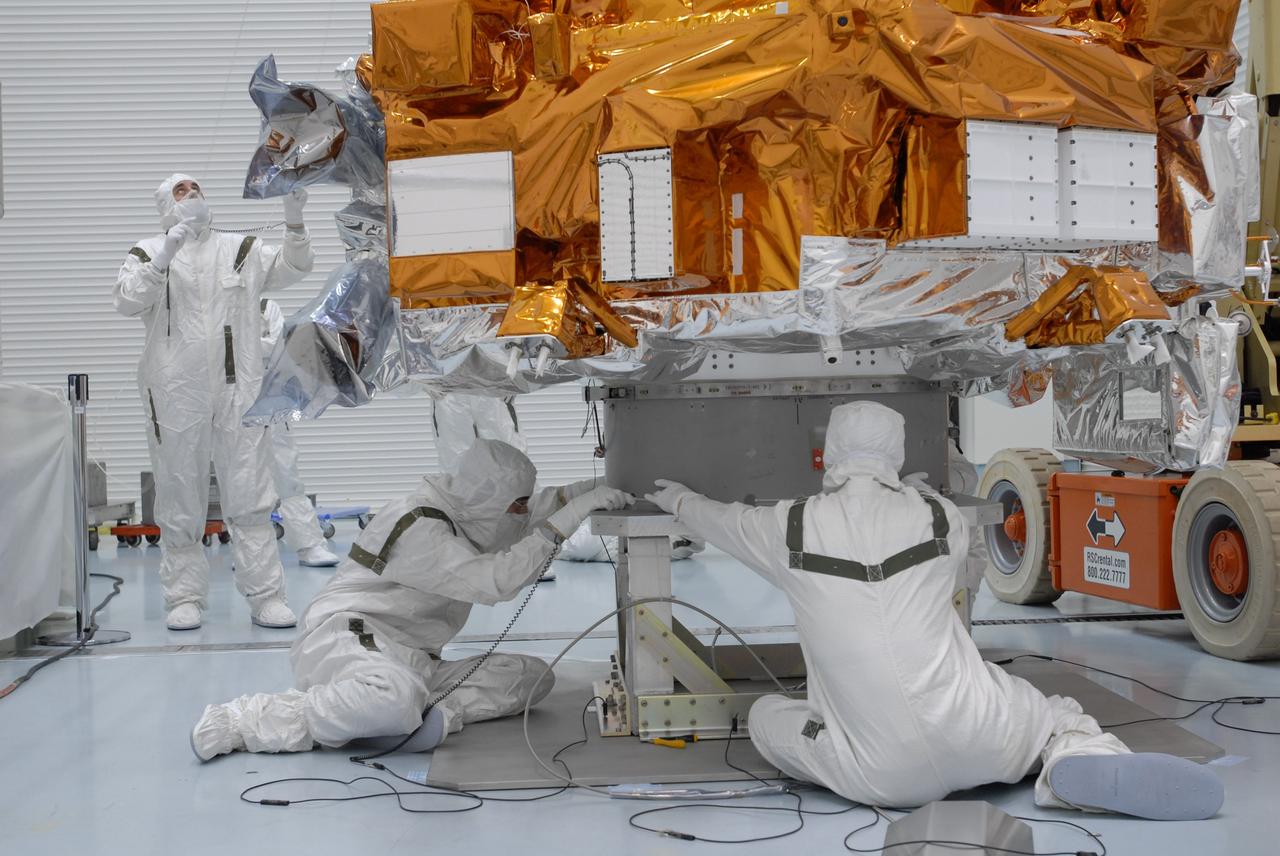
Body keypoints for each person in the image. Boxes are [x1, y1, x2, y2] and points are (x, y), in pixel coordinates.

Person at [646, 401, 1224, 820]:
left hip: (877, 775)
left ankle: (828, 729)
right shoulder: (941, 518)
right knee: (1058, 716)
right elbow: (958, 562)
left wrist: (672, 497)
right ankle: (1075, 762)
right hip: (981, 738)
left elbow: (716, 521)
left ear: (834, 454)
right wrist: (922, 495)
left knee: (769, 716)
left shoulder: (789, 526)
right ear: (895, 455)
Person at [190, 439, 630, 759]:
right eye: (514, 503)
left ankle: (414, 718)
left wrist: (593, 489)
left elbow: (535, 506)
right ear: (488, 497)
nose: (522, 512)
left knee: (531, 677)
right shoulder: (419, 524)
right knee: (393, 699)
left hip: (414, 656)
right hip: (351, 636)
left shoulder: (472, 510)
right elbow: (494, 582)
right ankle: (253, 718)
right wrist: (569, 519)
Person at [114, 174, 313, 631]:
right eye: (181, 191)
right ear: (165, 204)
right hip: (174, 392)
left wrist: (295, 220)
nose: (192, 196)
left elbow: (292, 267)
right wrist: (165, 255)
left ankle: (266, 596)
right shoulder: (147, 251)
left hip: (237, 387)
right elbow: (126, 301)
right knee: (180, 492)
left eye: (196, 188)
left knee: (249, 492)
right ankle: (183, 596)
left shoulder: (238, 249)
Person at [260, 299, 340, 568]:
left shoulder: (265, 307)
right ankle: (253, 555)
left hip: (269, 404)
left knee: (287, 476)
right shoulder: (212, 306)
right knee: (243, 482)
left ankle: (310, 546)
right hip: (227, 405)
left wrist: (240, 346)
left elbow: (277, 349)